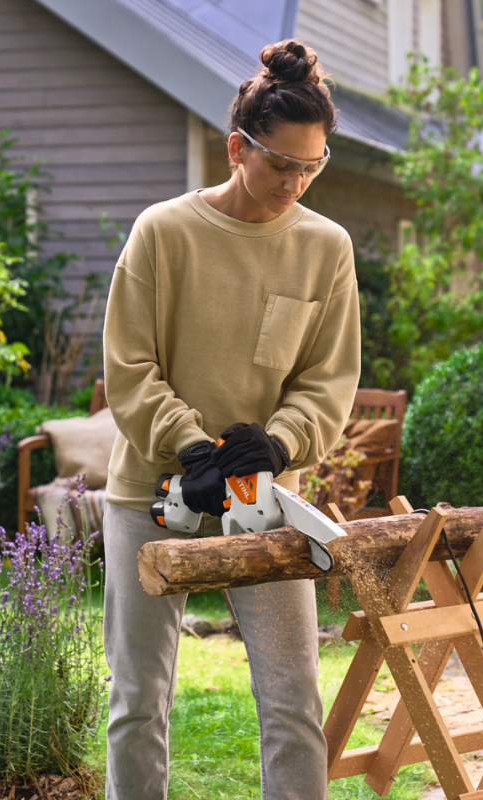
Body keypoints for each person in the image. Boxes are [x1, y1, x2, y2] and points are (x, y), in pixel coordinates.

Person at [101, 39, 361, 800]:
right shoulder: (163, 232)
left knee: (292, 703)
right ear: (237, 148)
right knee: (137, 699)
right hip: (151, 492)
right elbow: (129, 368)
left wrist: (276, 444)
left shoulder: (326, 247)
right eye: (282, 164)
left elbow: (328, 381)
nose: (296, 182)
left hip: (267, 501)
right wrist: (191, 446)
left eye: (313, 167)